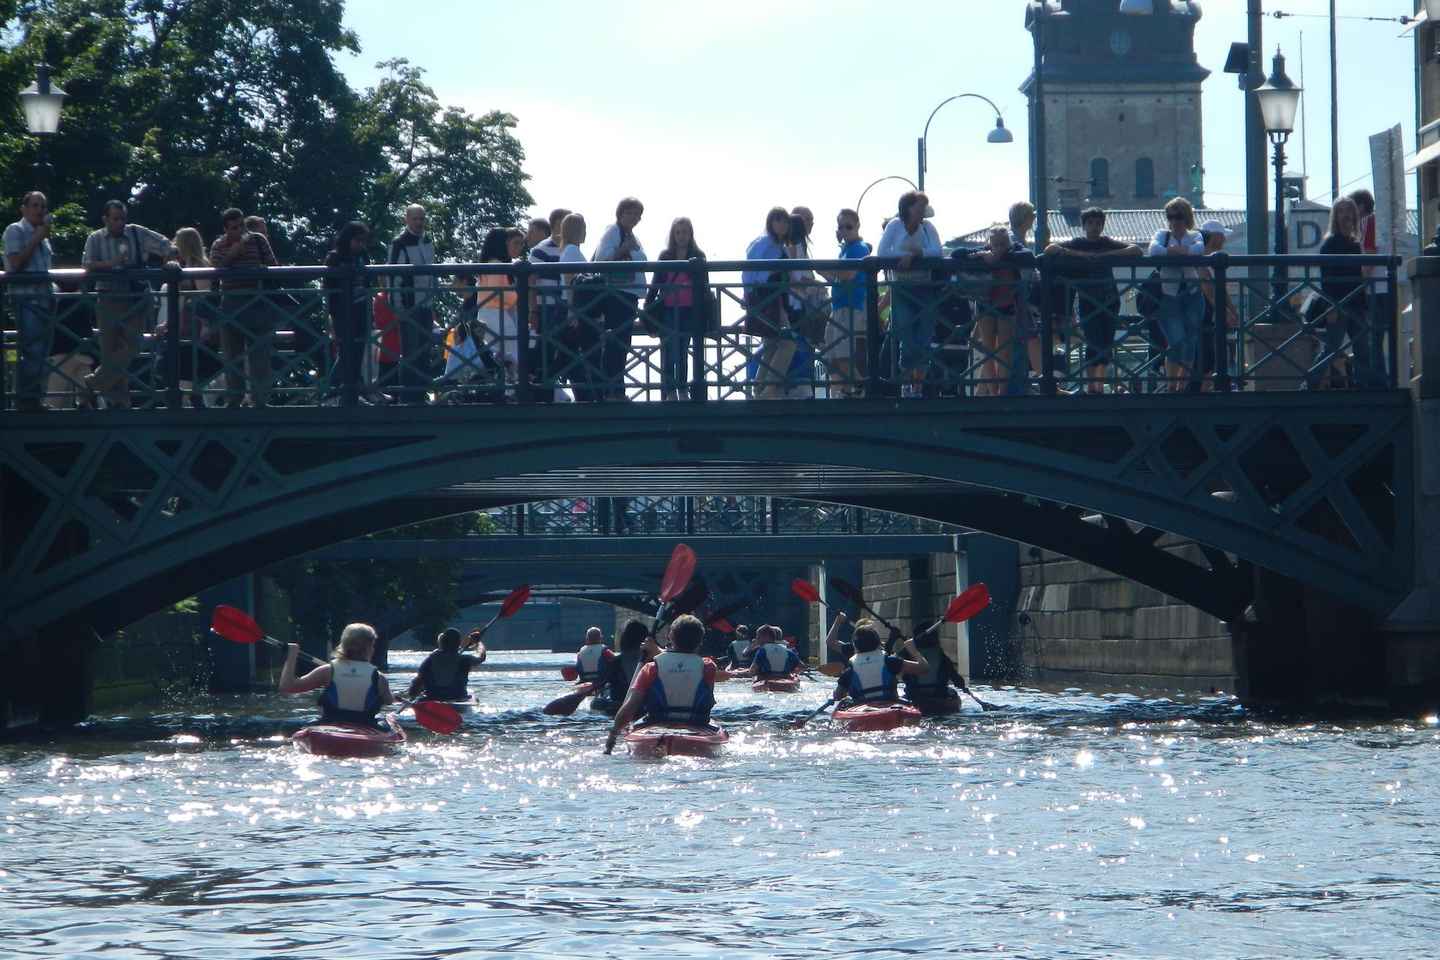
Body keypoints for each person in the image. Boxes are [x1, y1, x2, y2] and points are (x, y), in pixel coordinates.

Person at [81, 200, 179, 409]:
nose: (120, 223)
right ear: (105, 219)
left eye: (122, 218)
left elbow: (168, 246)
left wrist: (170, 260)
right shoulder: (95, 238)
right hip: (107, 296)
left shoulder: (136, 232)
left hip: (133, 297)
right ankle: (120, 403)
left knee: (131, 347)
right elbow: (88, 264)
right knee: (110, 353)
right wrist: (112, 263)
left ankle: (91, 384)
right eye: (115, 218)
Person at [1044, 207, 1142, 394]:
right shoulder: (1078, 243)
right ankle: (1092, 385)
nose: (1095, 227)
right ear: (1084, 225)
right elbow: (1050, 249)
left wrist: (1105, 256)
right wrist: (1081, 255)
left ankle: (1099, 383)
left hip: (1110, 298)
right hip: (1088, 299)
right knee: (1093, 340)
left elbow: (1136, 250)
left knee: (1106, 341)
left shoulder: (1106, 243)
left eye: (1098, 223)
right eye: (1091, 223)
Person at [604, 614, 717, 753]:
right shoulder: (708, 667)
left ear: (670, 637)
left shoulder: (651, 668)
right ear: (700, 641)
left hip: (656, 723)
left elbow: (629, 709)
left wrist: (613, 735)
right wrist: (656, 650)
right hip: (698, 723)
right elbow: (684, 662)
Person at [209, 207, 280, 407]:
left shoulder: (258, 239)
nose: (239, 231)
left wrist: (262, 271)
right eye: (233, 227)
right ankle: (235, 398)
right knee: (232, 355)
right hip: (231, 303)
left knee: (260, 355)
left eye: (241, 225)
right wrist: (231, 255)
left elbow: (274, 267)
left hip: (258, 301)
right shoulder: (218, 245)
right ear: (225, 228)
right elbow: (215, 271)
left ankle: (260, 400)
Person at [876, 191, 943, 397]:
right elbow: (882, 252)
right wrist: (904, 257)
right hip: (902, 287)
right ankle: (907, 383)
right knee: (906, 334)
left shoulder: (928, 227)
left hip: (925, 286)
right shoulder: (894, 226)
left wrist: (916, 255)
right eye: (919, 205)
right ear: (908, 207)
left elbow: (937, 251)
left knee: (923, 336)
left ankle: (917, 385)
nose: (923, 210)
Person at [279, 622, 394, 728]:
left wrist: (292, 655)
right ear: (370, 648)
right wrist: (388, 694)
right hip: (366, 726)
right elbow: (389, 701)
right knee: (384, 721)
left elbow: (287, 687)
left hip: (330, 725)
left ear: (344, 644)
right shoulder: (379, 678)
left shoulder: (327, 671)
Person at [153, 226, 219, 409]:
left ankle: (188, 410)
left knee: (185, 371)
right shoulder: (186, 266)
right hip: (185, 326)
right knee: (177, 369)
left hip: (196, 327)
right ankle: (192, 406)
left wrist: (205, 324)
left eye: (177, 241)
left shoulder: (199, 266)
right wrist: (167, 323)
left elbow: (203, 296)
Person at [642, 217, 707, 401]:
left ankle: (683, 389)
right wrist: (647, 307)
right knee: (670, 352)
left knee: (683, 352)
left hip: (689, 310)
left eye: (685, 232)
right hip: (668, 310)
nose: (681, 236)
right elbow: (656, 284)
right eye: (678, 232)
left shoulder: (698, 255)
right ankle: (669, 391)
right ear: (673, 235)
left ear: (691, 234)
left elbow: (704, 286)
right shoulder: (665, 256)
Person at [1314, 198, 1376, 390]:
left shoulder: (1355, 244)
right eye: (1341, 211)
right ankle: (1308, 384)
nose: (1346, 215)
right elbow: (1326, 280)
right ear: (1336, 217)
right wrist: (1330, 306)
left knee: (1363, 349)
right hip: (1338, 304)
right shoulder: (1330, 244)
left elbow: (1358, 275)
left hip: (1356, 303)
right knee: (1331, 348)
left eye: (1349, 211)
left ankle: (1363, 387)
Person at [590, 197, 647, 400]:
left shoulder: (631, 235)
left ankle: (617, 388)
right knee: (616, 341)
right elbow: (602, 260)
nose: (634, 217)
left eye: (637, 214)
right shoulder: (613, 232)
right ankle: (611, 389)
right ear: (620, 213)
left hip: (629, 295)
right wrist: (624, 249)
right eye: (630, 212)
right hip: (616, 294)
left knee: (622, 343)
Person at [4, 192, 56, 412]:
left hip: (45, 301)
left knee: (43, 354)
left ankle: (35, 399)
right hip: (26, 300)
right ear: (23, 209)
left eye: (42, 206)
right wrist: (37, 238)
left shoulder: (43, 236)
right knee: (32, 351)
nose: (39, 210)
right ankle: (25, 402)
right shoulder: (15, 230)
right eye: (35, 205)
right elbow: (14, 264)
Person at [1147, 196, 1206, 390]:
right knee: (1176, 341)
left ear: (1186, 217)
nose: (1174, 221)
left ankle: (1182, 384)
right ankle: (1171, 385)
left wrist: (1175, 251)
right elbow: (1153, 250)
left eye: (1178, 216)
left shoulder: (1195, 235)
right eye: (1170, 216)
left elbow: (1199, 249)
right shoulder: (1161, 234)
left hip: (1192, 293)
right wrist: (1180, 252)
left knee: (1191, 341)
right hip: (1168, 294)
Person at [386, 204, 439, 405]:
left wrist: (432, 301)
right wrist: (397, 307)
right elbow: (393, 277)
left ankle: (421, 394)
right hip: (409, 305)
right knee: (410, 352)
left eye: (421, 218)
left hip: (425, 304)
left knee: (424, 351)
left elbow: (431, 271)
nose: (419, 222)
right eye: (415, 218)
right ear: (406, 219)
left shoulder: (427, 240)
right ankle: (409, 397)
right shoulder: (399, 243)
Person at [743, 207, 794, 399]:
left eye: (785, 221)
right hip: (765, 296)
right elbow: (748, 268)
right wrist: (748, 295)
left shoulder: (781, 246)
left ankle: (760, 389)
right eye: (777, 220)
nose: (782, 224)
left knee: (772, 343)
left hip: (776, 297)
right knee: (787, 343)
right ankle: (769, 388)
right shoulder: (764, 243)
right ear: (770, 223)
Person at [820, 208, 871, 396]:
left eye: (848, 226)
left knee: (843, 354)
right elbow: (837, 278)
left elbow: (847, 275)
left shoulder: (859, 248)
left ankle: (860, 390)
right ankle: (840, 392)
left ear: (857, 225)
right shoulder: (845, 250)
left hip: (851, 306)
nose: (845, 230)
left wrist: (824, 268)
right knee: (831, 355)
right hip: (839, 306)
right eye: (841, 227)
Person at [321, 221, 373, 400]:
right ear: (348, 238)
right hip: (343, 312)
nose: (361, 244)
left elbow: (368, 281)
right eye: (357, 240)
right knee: (346, 352)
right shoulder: (335, 257)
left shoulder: (363, 255)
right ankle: (336, 391)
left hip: (362, 308)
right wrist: (332, 317)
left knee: (358, 351)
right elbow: (329, 290)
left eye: (363, 241)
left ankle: (349, 392)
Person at [832, 619, 928, 705]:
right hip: (890, 708)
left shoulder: (849, 670)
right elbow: (924, 668)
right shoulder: (890, 661)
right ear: (878, 643)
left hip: (861, 710)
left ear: (855, 647)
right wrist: (913, 650)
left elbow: (837, 696)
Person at [1192, 219, 1239, 393]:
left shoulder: (1211, 258)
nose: (1225, 241)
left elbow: (1218, 289)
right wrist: (1226, 312)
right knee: (1205, 356)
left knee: (1208, 356)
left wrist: (1231, 310)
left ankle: (1204, 390)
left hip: (1208, 315)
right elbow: (1208, 288)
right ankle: (1201, 393)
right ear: (1214, 237)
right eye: (1222, 236)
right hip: (1201, 314)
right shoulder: (1202, 257)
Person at [406, 627, 486, 702]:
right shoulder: (465, 660)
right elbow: (481, 657)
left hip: (432, 698)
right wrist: (478, 642)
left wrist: (414, 694)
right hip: (457, 698)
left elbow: (415, 687)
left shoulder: (429, 661)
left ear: (442, 642)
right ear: (458, 643)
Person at [592, 619, 651, 715]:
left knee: (596, 703)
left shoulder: (614, 662)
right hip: (640, 707)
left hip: (620, 706)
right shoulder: (654, 662)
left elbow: (599, 684)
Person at [901, 629, 967, 711]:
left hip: (915, 697)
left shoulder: (907, 656)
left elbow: (892, 663)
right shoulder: (942, 657)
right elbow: (957, 680)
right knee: (953, 692)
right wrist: (963, 687)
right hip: (939, 696)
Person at [734, 624, 801, 679]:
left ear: (766, 637)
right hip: (785, 678)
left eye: (758, 637)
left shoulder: (762, 650)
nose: (757, 639)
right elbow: (801, 667)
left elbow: (752, 671)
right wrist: (792, 674)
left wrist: (738, 674)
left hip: (767, 679)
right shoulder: (788, 650)